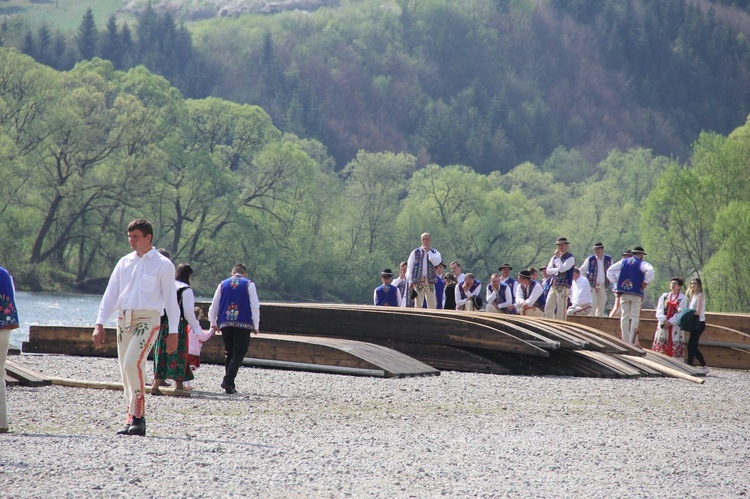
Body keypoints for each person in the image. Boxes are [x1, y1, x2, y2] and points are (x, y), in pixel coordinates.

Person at [92, 218, 181, 436]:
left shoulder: (163, 265)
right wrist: (99, 323)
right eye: (129, 236)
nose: (131, 241)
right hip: (124, 320)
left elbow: (171, 300)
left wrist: (174, 332)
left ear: (148, 238)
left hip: (148, 319)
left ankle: (139, 417)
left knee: (133, 363)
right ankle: (131, 416)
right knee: (126, 369)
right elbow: (111, 293)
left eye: (136, 237)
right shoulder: (124, 262)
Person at [151, 263, 208, 394]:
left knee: (162, 353)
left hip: (163, 323)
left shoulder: (167, 285)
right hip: (178, 325)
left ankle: (174, 385)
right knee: (179, 354)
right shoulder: (186, 289)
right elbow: (188, 311)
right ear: (188, 275)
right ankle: (163, 385)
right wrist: (196, 327)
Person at [208, 263, 260, 394]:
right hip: (243, 322)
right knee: (239, 352)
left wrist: (213, 322)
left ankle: (230, 385)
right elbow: (255, 306)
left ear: (232, 273)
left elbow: (214, 305)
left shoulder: (222, 284)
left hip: (225, 322)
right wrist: (256, 325)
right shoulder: (249, 284)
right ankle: (228, 380)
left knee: (229, 353)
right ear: (245, 274)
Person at [606, 246, 654, 345]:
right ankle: (632, 341)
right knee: (635, 317)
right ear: (640, 255)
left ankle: (625, 339)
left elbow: (610, 271)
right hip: (636, 293)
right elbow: (650, 271)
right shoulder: (642, 263)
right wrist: (645, 281)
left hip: (624, 293)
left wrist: (616, 282)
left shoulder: (623, 262)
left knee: (624, 316)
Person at [0, 265, 20, 434]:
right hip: (4, 328)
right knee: (0, 373)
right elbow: (12, 297)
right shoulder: (5, 274)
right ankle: (1, 422)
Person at [652, 277, 688, 361]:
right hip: (663, 323)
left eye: (675, 283)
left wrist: (671, 322)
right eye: (671, 283)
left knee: (675, 340)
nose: (672, 285)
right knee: (662, 340)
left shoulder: (683, 298)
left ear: (679, 286)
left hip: (674, 325)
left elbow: (680, 312)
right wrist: (664, 320)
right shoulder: (664, 296)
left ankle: (676, 362)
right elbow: (659, 309)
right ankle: (659, 360)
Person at [406, 233, 443, 309]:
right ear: (421, 240)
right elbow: (410, 267)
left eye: (427, 239)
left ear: (430, 240)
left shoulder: (434, 252)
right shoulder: (415, 252)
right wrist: (410, 281)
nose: (425, 241)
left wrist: (429, 252)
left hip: (430, 281)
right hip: (419, 281)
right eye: (423, 239)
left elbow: (436, 262)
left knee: (432, 303)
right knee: (418, 304)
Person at [544, 237, 576, 321]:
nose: (560, 247)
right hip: (554, 284)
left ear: (566, 245)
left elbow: (563, 269)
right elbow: (548, 270)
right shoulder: (554, 257)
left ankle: (562, 326)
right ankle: (550, 324)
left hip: (563, 286)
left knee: (561, 309)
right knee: (548, 307)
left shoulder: (570, 258)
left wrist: (558, 259)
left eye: (561, 245)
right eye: (558, 245)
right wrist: (557, 270)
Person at [578, 242, 612, 317]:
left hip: (603, 285)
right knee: (592, 305)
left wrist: (610, 280)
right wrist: (587, 281)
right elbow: (581, 271)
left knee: (602, 305)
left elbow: (611, 271)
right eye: (595, 249)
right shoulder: (590, 259)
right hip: (592, 286)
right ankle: (591, 321)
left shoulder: (608, 259)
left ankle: (599, 321)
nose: (596, 251)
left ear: (602, 250)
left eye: (598, 249)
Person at [185, 306, 214, 390]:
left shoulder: (186, 325)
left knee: (185, 368)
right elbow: (203, 337)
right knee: (189, 368)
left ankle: (185, 384)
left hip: (185, 349)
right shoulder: (196, 326)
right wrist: (211, 331)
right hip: (193, 351)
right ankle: (186, 384)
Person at [686, 277, 710, 374]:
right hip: (694, 323)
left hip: (699, 323)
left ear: (699, 285)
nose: (693, 285)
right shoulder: (693, 296)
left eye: (695, 283)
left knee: (691, 345)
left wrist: (686, 312)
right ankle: (702, 366)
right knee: (692, 346)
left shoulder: (700, 295)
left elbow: (698, 311)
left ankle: (690, 366)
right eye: (691, 283)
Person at [608, 249, 633, 318]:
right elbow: (610, 271)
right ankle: (609, 321)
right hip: (619, 289)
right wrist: (616, 282)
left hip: (627, 289)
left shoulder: (631, 264)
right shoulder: (621, 263)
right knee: (617, 307)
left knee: (624, 309)